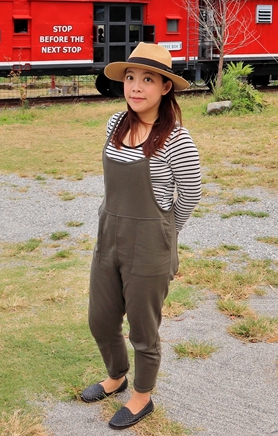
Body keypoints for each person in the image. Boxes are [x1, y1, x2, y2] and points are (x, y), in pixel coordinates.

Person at [80, 42, 202, 430]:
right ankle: (116, 376)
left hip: (150, 245)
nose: (136, 87)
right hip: (109, 235)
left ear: (165, 87)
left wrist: (167, 232)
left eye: (147, 79)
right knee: (100, 320)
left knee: (143, 331)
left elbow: (191, 193)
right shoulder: (115, 124)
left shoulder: (176, 140)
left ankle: (141, 397)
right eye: (130, 78)